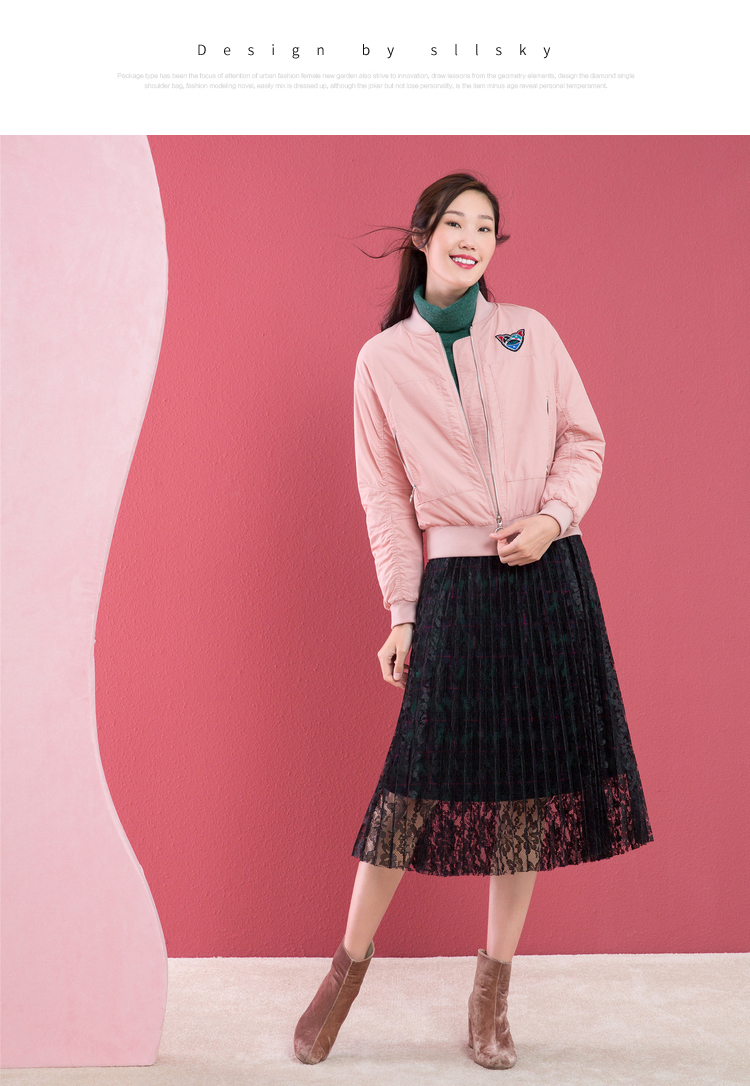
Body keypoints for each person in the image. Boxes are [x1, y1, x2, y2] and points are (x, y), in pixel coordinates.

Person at [293, 172, 653, 1070]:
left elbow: (585, 440)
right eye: (455, 223)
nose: (470, 238)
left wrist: (553, 519)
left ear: (496, 245)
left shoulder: (532, 334)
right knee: (410, 788)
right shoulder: (382, 362)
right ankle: (346, 970)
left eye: (485, 227)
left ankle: (491, 993)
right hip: (454, 585)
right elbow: (384, 497)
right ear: (422, 236)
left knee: (526, 792)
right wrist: (403, 612)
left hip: (548, 578)